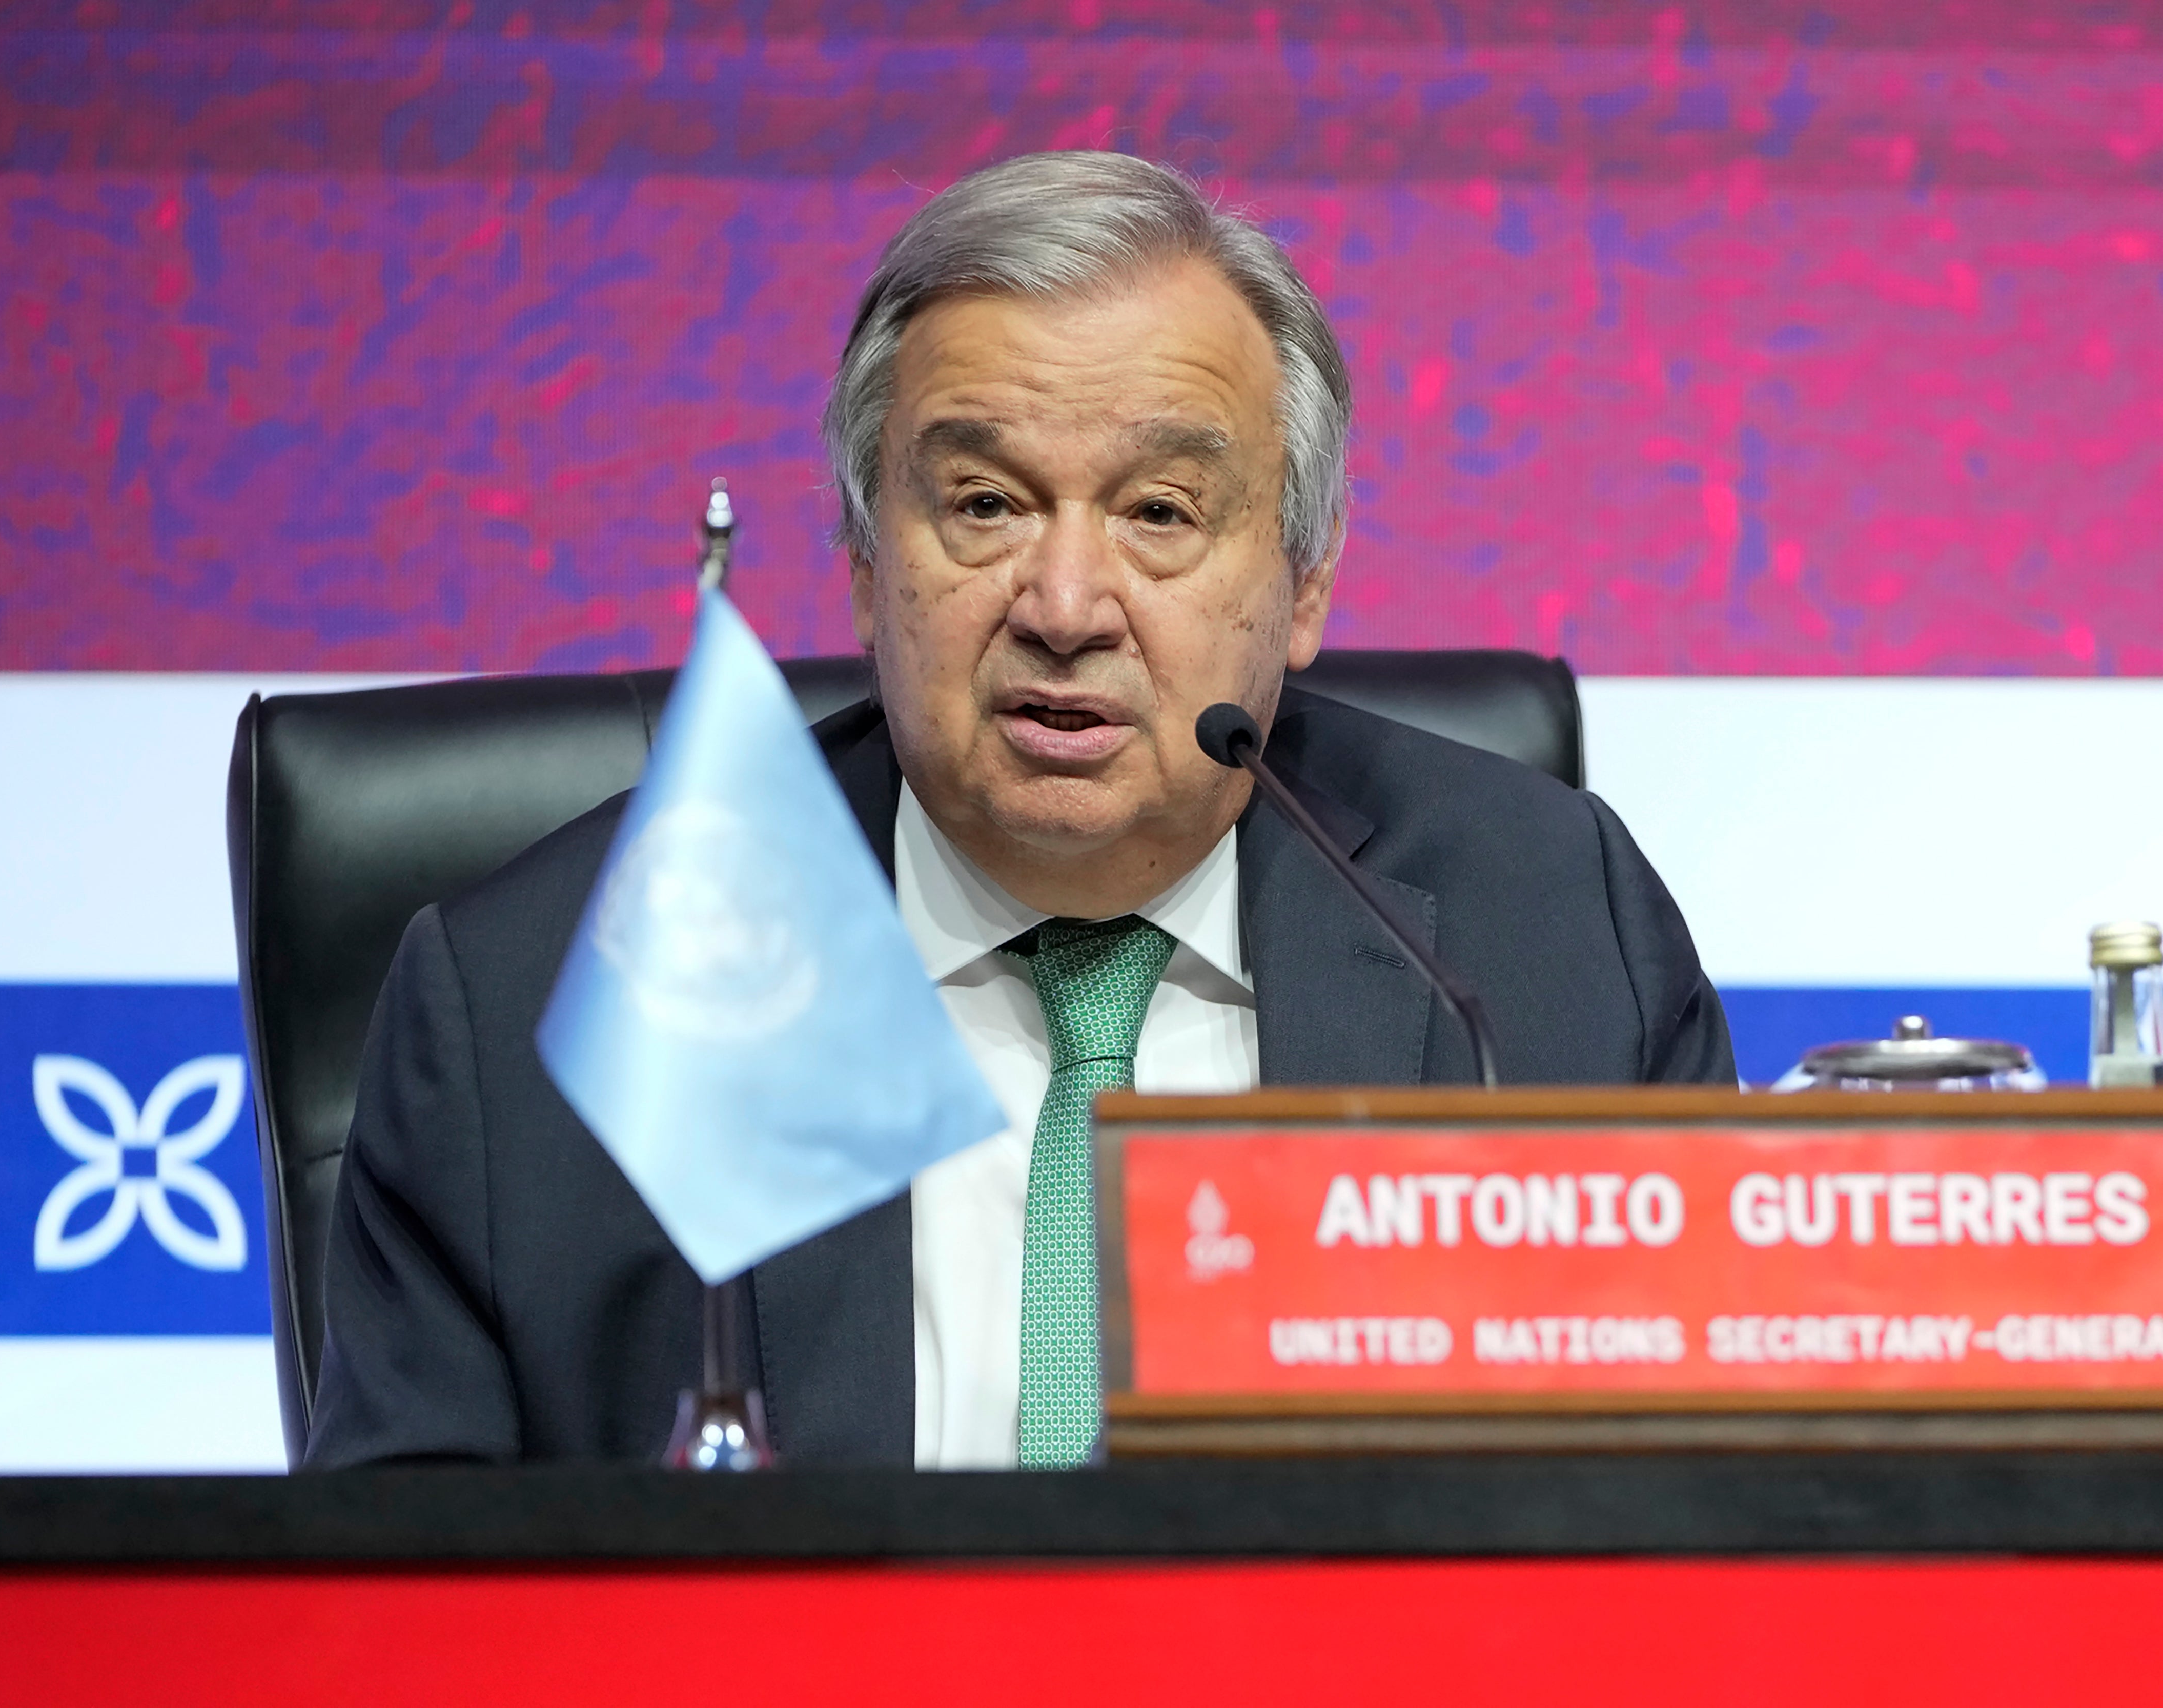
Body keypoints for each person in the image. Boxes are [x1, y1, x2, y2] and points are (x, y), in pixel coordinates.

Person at [308, 151, 1735, 1471]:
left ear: (1304, 584)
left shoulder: (1546, 953)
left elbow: (1714, 1555)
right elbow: (398, 1630)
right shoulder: (539, 1013)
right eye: (985, 504)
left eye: (1161, 514)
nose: (1063, 608)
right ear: (869, 564)